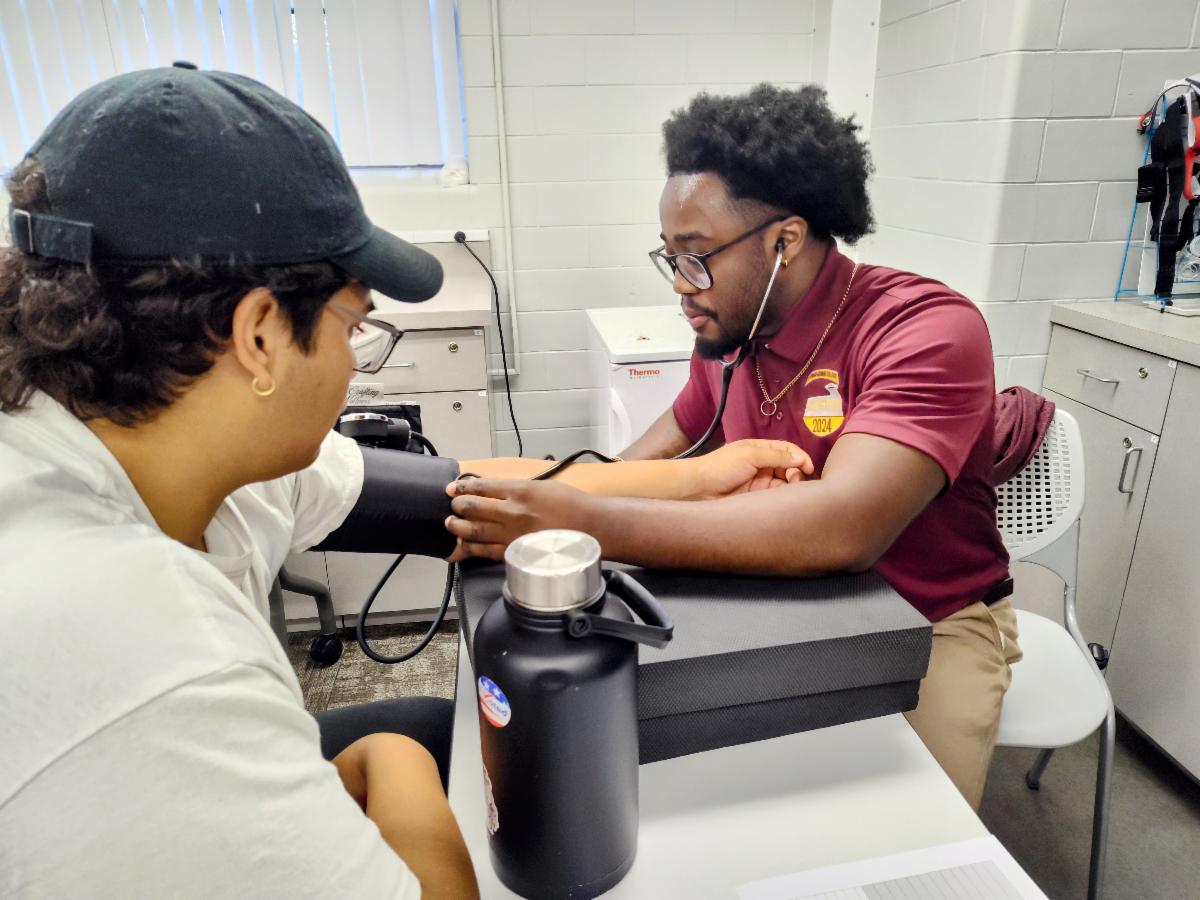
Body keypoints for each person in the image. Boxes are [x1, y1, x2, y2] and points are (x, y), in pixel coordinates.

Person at [0, 67, 809, 899]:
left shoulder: (146, 434)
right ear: (258, 335)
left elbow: (459, 490)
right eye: (356, 324)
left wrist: (700, 477)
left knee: (450, 725)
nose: (355, 362)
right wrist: (397, 770)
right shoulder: (152, 648)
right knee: (419, 743)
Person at [445, 84, 1022, 811]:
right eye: (670, 259)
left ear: (784, 241)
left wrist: (579, 521)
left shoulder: (924, 331)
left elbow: (845, 525)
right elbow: (638, 467)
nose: (682, 288)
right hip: (789, 605)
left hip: (932, 621)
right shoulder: (727, 335)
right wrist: (539, 513)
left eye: (697, 257)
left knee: (904, 826)